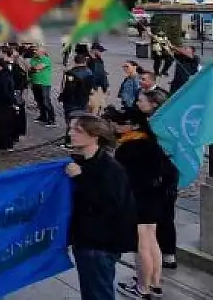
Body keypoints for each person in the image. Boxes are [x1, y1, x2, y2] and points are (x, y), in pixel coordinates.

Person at [65, 113, 138, 300]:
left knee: (98, 294)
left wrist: (80, 178)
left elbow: (110, 204)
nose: (71, 133)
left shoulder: (110, 168)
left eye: (77, 130)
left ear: (94, 135)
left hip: (99, 245)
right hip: (85, 241)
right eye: (71, 128)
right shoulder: (82, 162)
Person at [111, 90, 174, 300]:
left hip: (138, 199)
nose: (117, 127)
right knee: (152, 241)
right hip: (155, 197)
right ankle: (155, 285)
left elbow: (119, 178)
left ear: (134, 126)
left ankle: (142, 288)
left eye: (122, 123)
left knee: (142, 246)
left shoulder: (129, 147)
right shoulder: (152, 142)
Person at [59, 53, 94, 149]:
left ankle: (70, 142)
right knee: (79, 121)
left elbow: (68, 89)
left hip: (72, 102)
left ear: (75, 61)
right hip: (83, 100)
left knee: (71, 122)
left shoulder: (71, 73)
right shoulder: (89, 72)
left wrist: (62, 97)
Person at [30, 46, 55, 127]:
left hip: (44, 83)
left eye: (36, 50)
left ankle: (52, 120)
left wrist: (35, 69)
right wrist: (35, 69)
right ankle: (43, 116)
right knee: (39, 101)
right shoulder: (33, 59)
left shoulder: (46, 59)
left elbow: (37, 67)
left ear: (42, 52)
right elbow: (30, 68)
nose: (34, 51)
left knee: (46, 102)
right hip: (35, 82)